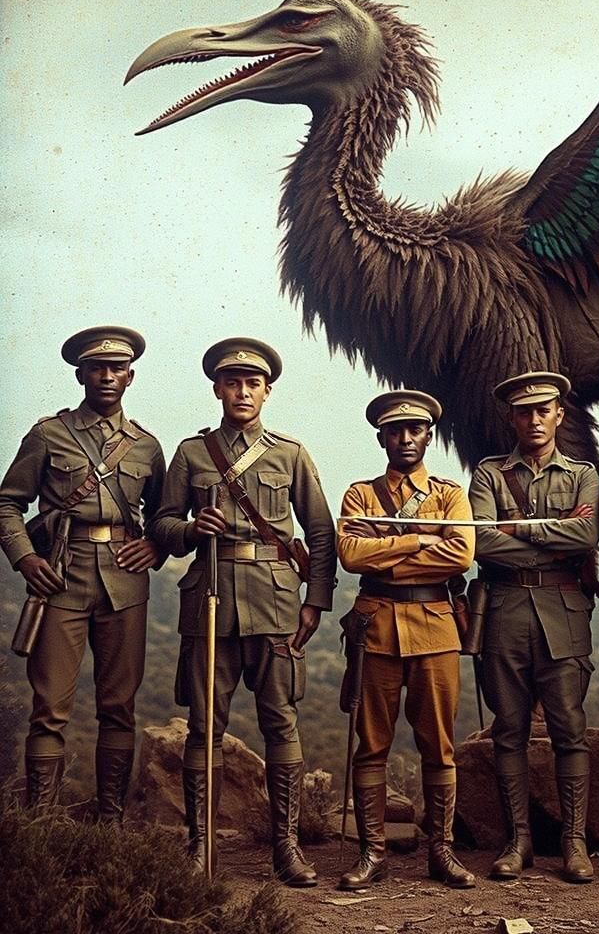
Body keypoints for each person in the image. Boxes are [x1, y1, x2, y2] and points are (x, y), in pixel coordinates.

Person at [152, 337, 336, 886]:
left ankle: (286, 848)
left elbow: (320, 532)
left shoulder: (290, 453)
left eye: (253, 383)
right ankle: (200, 845)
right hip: (208, 596)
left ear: (267, 391)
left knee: (281, 720)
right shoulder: (191, 453)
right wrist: (189, 529)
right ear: (217, 388)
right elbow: (161, 524)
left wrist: (317, 600)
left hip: (277, 603)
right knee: (205, 724)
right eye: (232, 382)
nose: (242, 391)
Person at [0, 326, 165, 819]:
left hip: (125, 581)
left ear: (130, 377)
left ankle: (109, 819)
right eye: (98, 367)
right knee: (49, 709)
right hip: (59, 577)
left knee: (119, 707)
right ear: (81, 374)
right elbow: (8, 503)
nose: (107, 376)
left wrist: (155, 546)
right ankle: (41, 821)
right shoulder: (50, 434)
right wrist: (25, 558)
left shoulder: (147, 447)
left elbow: (163, 516)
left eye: (117, 368)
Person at [336, 391, 475, 889]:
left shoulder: (450, 494)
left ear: (428, 435)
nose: (405, 439)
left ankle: (442, 850)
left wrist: (384, 546)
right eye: (395, 431)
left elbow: (459, 556)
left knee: (438, 745)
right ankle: (372, 852)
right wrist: (418, 540)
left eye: (415, 430)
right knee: (371, 745)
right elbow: (351, 554)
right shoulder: (360, 494)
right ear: (382, 437)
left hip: (436, 624)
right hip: (375, 627)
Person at [469, 371, 599, 883]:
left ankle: (574, 842)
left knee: (569, 727)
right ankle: (517, 840)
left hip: (564, 609)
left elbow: (586, 534)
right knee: (509, 730)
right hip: (504, 609)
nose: (534, 419)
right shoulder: (489, 475)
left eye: (543, 410)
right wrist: (556, 533)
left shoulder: (584, 474)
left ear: (559, 414)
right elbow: (481, 541)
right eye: (524, 411)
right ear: (512, 418)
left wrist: (519, 528)